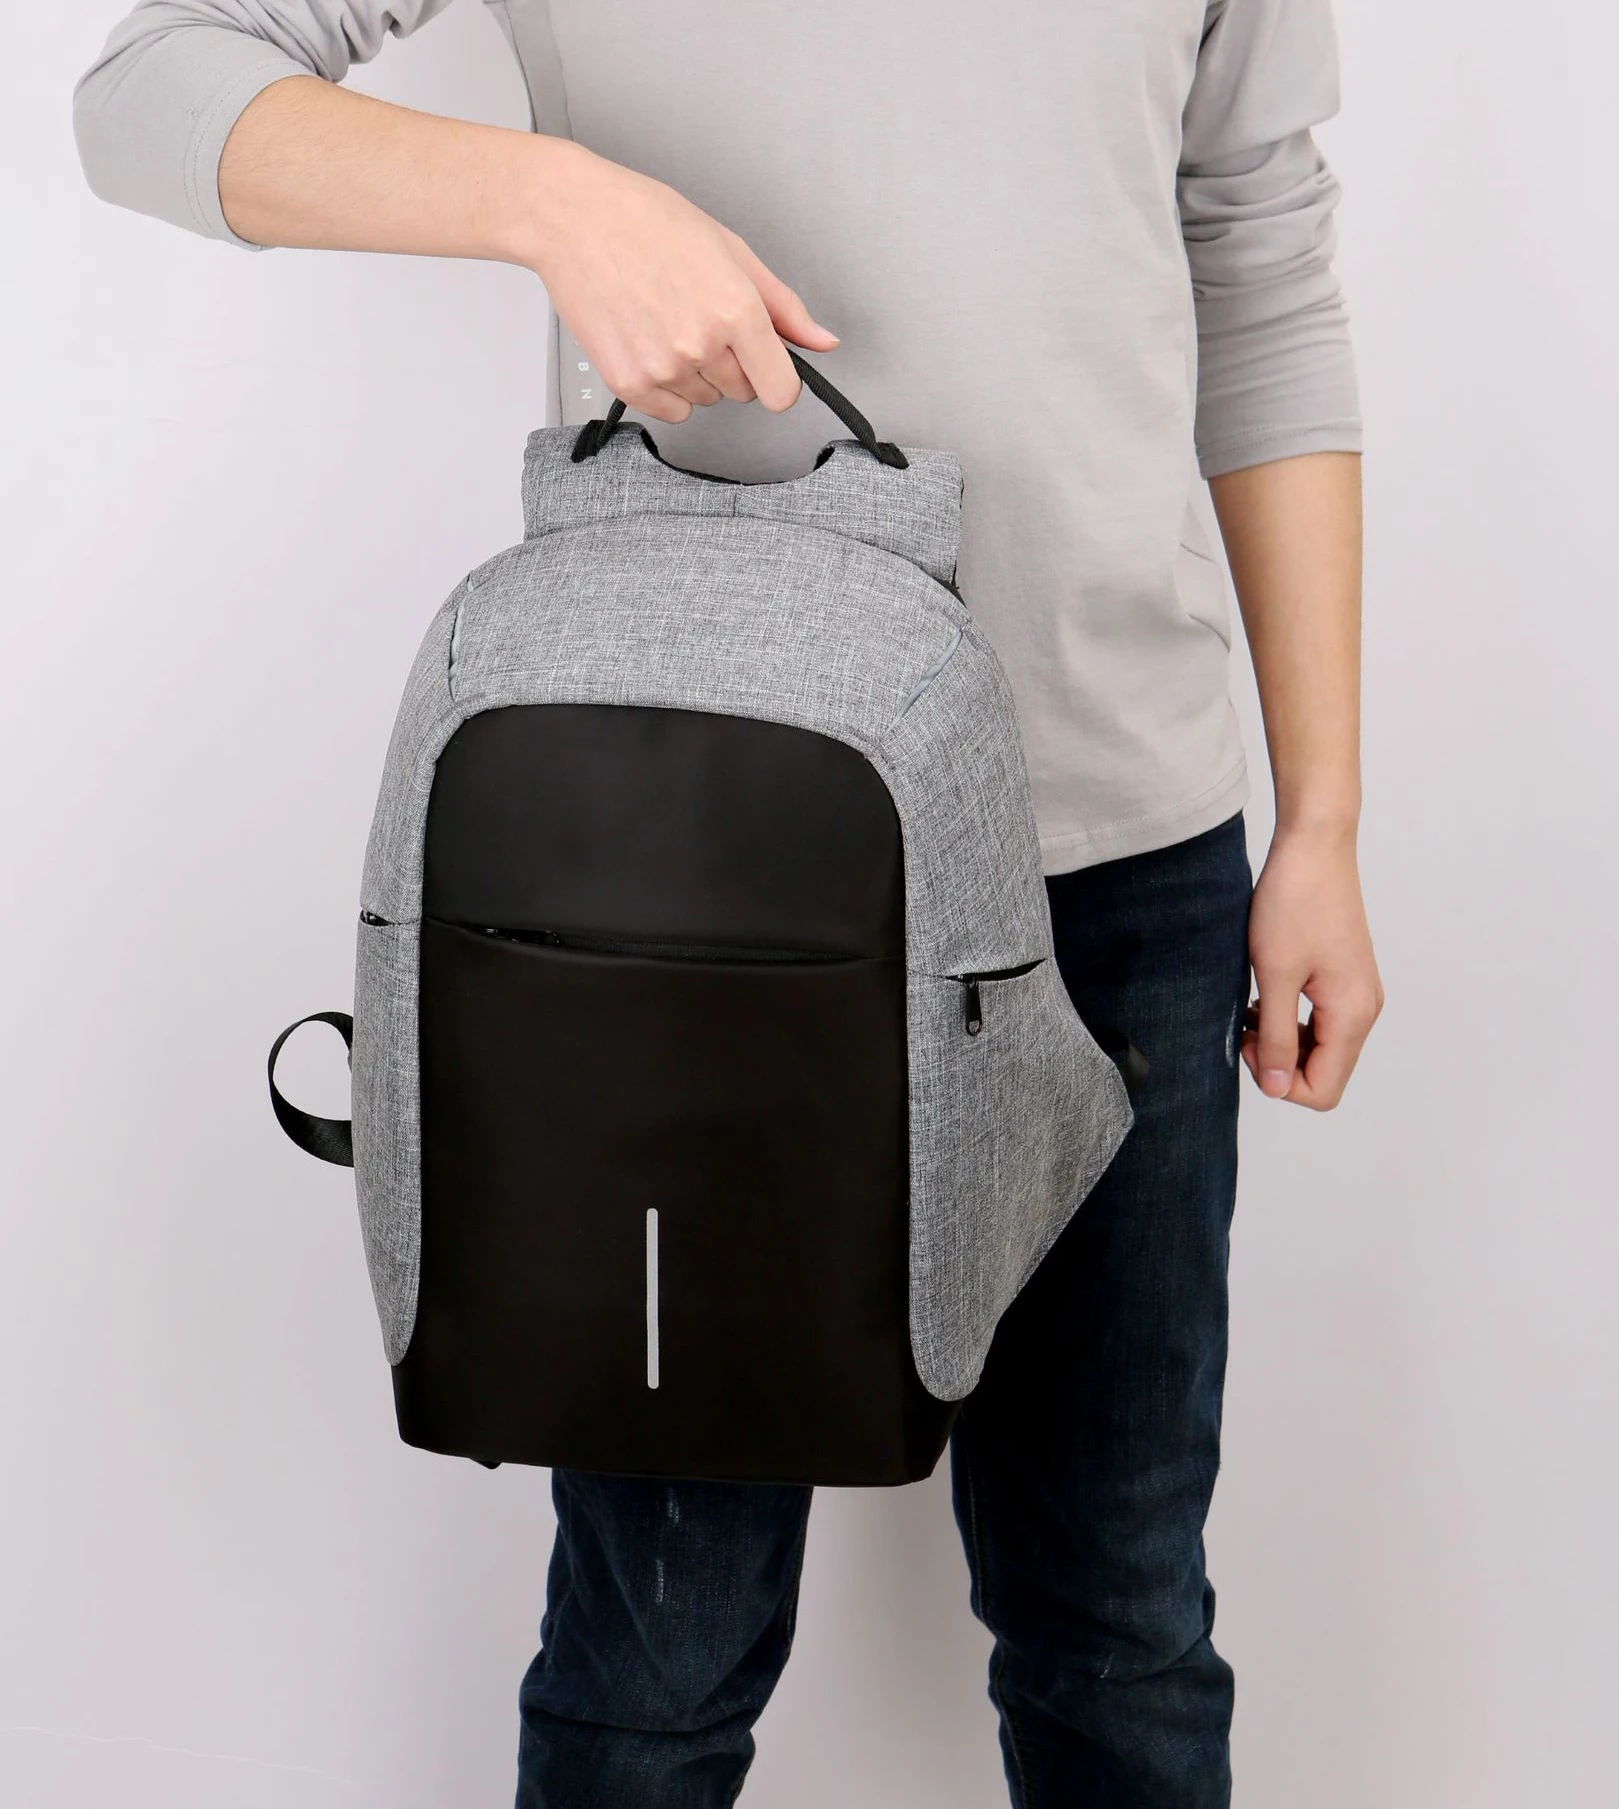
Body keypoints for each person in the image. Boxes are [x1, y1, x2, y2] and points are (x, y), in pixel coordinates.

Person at [73, 4, 1385, 1803]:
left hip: (1121, 863)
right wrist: (557, 202)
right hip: (700, 883)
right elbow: (146, 94)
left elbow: (1260, 270)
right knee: (656, 1663)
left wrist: (1323, 820)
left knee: (1120, 1624)